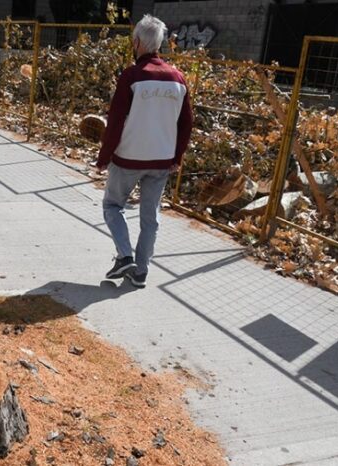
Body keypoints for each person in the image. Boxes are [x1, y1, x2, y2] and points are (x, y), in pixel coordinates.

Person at [96, 14, 193, 288]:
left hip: (128, 157)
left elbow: (115, 121)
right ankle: (141, 272)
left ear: (137, 42)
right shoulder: (178, 78)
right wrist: (177, 157)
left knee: (113, 206)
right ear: (159, 43)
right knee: (150, 217)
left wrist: (104, 158)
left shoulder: (132, 75)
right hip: (161, 160)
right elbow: (187, 123)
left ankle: (125, 256)